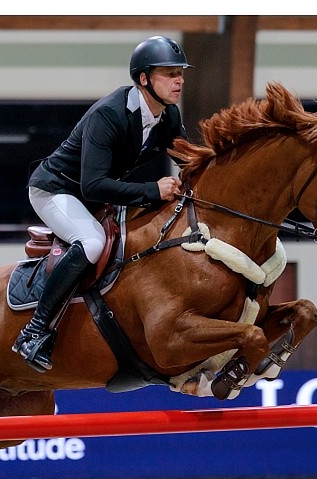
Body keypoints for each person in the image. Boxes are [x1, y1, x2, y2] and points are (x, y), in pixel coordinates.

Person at [13, 35, 193, 372]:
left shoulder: (168, 116)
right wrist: (153, 191)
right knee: (92, 242)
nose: (179, 80)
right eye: (169, 74)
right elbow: (93, 185)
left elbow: (189, 159)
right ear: (144, 78)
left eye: (180, 73)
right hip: (56, 191)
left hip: (96, 195)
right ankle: (34, 332)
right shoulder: (109, 115)